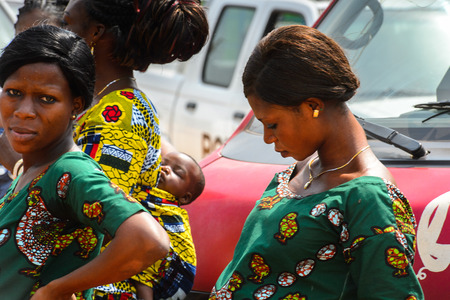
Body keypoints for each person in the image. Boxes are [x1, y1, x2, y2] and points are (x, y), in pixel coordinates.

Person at [209, 25, 424, 299]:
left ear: (312, 106)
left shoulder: (368, 198)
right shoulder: (300, 172)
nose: (266, 138)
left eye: (272, 124)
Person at [0, 25, 170, 300]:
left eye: (47, 99)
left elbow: (148, 240)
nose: (24, 111)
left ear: (76, 107)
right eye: (13, 92)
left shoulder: (71, 171)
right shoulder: (33, 171)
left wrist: (54, 291)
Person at [62, 0, 208, 298]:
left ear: (95, 33)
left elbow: (89, 214)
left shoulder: (119, 115)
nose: (59, 32)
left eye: (66, 24)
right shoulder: (99, 99)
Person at [126, 151, 205, 300]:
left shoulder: (171, 213)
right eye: (162, 163)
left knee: (147, 259)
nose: (165, 169)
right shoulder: (142, 189)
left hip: (172, 264)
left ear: (185, 197)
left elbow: (174, 242)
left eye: (177, 172)